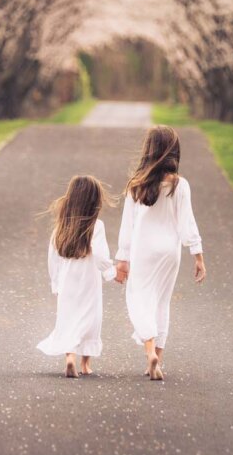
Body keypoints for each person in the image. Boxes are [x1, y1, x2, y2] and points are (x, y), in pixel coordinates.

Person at [115, 126, 206, 381]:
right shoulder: (180, 185)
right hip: (170, 251)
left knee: (139, 298)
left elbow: (128, 227)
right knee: (162, 301)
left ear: (148, 151)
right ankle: (158, 359)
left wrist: (123, 259)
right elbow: (187, 223)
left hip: (144, 250)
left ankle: (149, 350)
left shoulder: (137, 185)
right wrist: (197, 255)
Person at [37, 175, 119, 378]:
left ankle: (70, 357)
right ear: (94, 202)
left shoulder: (61, 226)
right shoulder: (96, 226)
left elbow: (52, 258)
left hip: (67, 279)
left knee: (68, 317)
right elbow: (100, 254)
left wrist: (55, 283)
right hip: (88, 280)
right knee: (90, 318)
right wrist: (111, 272)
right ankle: (85, 364)